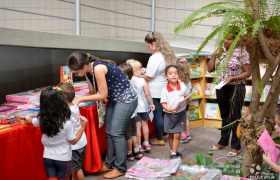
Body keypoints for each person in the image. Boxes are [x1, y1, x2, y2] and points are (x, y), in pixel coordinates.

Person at [67, 52, 138, 179]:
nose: (75, 74)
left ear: (84, 66)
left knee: (116, 132)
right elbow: (92, 92)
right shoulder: (88, 71)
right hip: (115, 99)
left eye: (76, 72)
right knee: (109, 131)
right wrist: (74, 100)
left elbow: (103, 95)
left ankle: (120, 167)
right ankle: (110, 163)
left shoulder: (98, 68)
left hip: (126, 99)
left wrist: (80, 99)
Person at [25, 86, 88, 180]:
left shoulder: (42, 119)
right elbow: (73, 141)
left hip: (48, 157)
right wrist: (82, 127)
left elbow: (31, 120)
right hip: (63, 158)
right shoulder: (67, 122)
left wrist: (27, 118)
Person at [208, 30, 251, 157]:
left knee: (235, 117)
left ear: (236, 39)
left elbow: (247, 73)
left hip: (236, 87)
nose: (226, 41)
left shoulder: (242, 51)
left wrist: (233, 78)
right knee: (225, 115)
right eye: (225, 39)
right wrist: (214, 55)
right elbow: (210, 69)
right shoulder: (220, 50)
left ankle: (235, 146)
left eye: (230, 39)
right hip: (221, 87)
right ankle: (223, 142)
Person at [140, 31, 177, 146]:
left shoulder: (155, 57)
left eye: (149, 46)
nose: (149, 48)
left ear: (154, 43)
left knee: (157, 114)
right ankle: (167, 134)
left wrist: (136, 75)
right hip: (165, 87)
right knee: (165, 113)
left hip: (155, 90)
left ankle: (159, 138)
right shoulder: (168, 54)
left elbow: (149, 76)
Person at [160, 65, 192, 159]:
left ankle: (173, 153)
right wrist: (169, 109)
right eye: (170, 74)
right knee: (170, 134)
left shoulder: (182, 86)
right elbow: (163, 103)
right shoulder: (165, 90)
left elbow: (186, 97)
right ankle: (173, 151)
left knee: (177, 135)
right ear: (166, 76)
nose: (173, 75)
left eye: (175, 73)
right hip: (169, 114)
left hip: (180, 113)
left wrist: (188, 100)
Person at [57, 83, 87, 180]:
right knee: (74, 169)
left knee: (77, 169)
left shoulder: (66, 112)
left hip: (75, 145)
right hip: (81, 141)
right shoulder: (74, 105)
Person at [126, 59, 155, 152]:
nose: (141, 71)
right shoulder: (142, 80)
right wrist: (151, 103)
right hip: (144, 107)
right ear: (134, 71)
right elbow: (148, 94)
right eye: (139, 69)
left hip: (134, 109)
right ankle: (146, 142)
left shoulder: (128, 81)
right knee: (145, 125)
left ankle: (138, 145)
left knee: (137, 127)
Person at [118, 63, 143, 161]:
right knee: (133, 133)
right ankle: (137, 150)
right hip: (134, 113)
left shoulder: (123, 86)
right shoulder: (132, 83)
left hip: (127, 115)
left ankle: (129, 153)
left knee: (128, 135)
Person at [177, 58, 192, 143]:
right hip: (187, 100)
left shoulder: (179, 82)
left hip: (181, 102)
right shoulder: (188, 80)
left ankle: (182, 134)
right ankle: (187, 133)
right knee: (186, 118)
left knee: (180, 119)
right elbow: (189, 90)